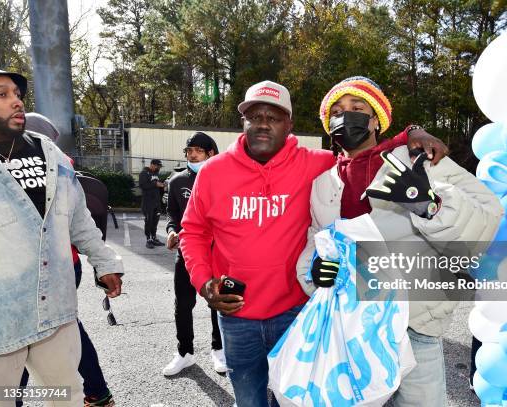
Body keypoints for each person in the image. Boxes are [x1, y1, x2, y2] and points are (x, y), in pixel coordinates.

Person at [179, 79, 447, 406]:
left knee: (295, 398)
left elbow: (364, 157)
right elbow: (193, 232)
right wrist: (204, 283)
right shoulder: (214, 172)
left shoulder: (316, 164)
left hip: (294, 312)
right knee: (249, 399)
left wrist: (412, 134)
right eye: (254, 116)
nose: (263, 123)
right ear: (243, 121)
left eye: (274, 117)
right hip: (237, 316)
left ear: (289, 124)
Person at [296, 76, 503, 407]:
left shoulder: (419, 159)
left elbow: (488, 218)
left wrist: (431, 205)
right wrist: (315, 271)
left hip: (412, 326)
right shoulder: (324, 182)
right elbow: (316, 241)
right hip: (348, 326)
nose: (345, 116)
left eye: (357, 108)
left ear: (375, 119)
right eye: (336, 111)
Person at [0, 68, 123, 406]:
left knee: (65, 395)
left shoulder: (49, 153)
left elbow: (78, 217)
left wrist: (104, 262)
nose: (16, 102)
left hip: (55, 313)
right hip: (1, 324)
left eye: (17, 95)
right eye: (1, 95)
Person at [17, 113, 116, 407]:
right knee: (64, 327)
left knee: (23, 336)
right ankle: (98, 392)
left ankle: (13, 399)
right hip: (64, 264)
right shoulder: (61, 162)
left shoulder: (53, 163)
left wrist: (105, 262)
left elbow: (80, 222)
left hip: (47, 266)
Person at [162, 132, 227, 376]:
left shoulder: (225, 177)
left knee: (218, 302)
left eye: (198, 150)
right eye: (189, 151)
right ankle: (185, 352)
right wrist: (171, 231)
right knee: (183, 305)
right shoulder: (177, 181)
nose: (192, 155)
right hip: (188, 253)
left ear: (211, 153)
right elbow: (172, 215)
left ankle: (219, 349)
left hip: (219, 253)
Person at [139, 158, 165, 248]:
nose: (159, 168)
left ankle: (154, 238)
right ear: (152, 164)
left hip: (156, 202)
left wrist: (162, 185)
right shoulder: (144, 173)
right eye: (158, 166)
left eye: (160, 166)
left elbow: (156, 186)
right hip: (148, 203)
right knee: (148, 221)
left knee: (155, 221)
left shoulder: (156, 174)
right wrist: (155, 184)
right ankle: (148, 239)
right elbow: (142, 185)